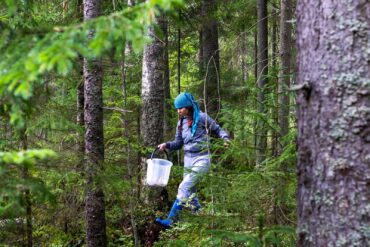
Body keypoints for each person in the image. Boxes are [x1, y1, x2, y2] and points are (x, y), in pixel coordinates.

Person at [155, 92, 230, 228]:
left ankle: (171, 220)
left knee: (184, 186)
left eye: (181, 108)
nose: (179, 111)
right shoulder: (181, 123)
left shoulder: (202, 117)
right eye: (177, 109)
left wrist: (225, 139)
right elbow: (178, 143)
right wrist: (166, 144)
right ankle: (203, 219)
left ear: (188, 106)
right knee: (191, 192)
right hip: (188, 159)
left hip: (202, 158)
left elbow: (218, 129)